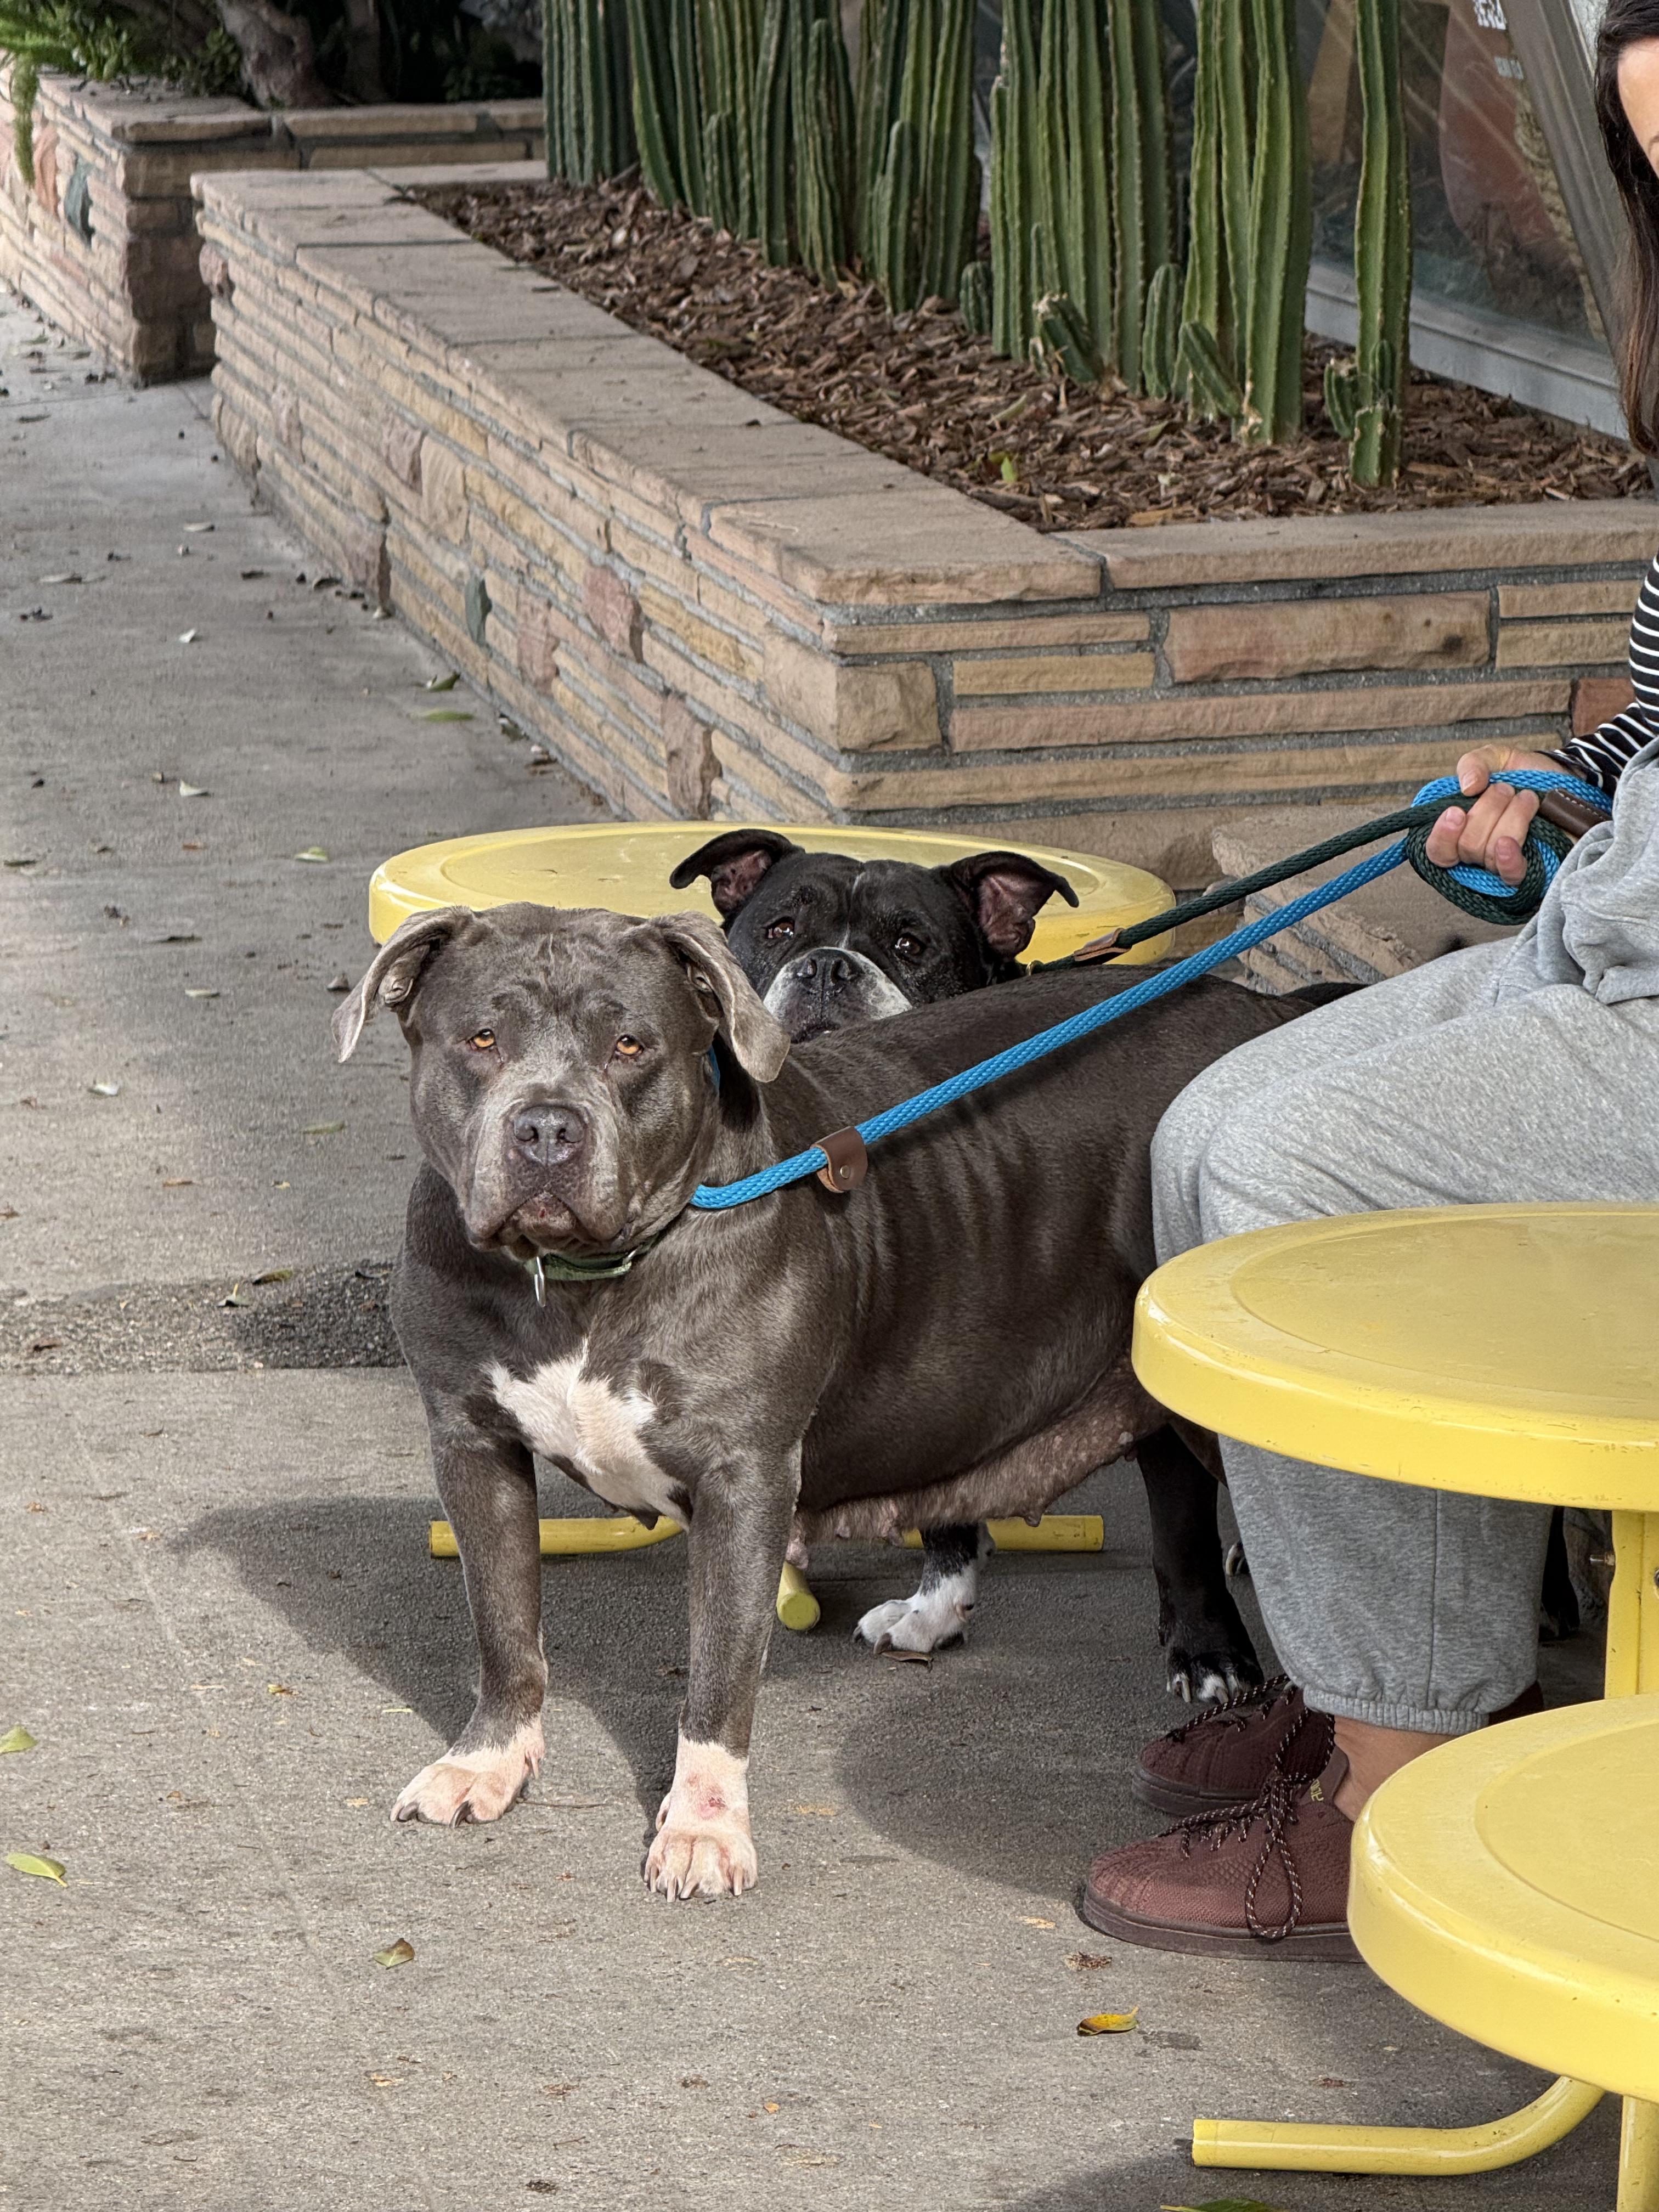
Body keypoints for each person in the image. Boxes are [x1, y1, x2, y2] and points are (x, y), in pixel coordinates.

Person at [1080, 0, 1659, 1960]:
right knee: (1210, 1130)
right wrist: (1569, 798)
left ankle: (1399, 1813)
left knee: (1299, 1183)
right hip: (1629, 943)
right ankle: (1373, 1683)